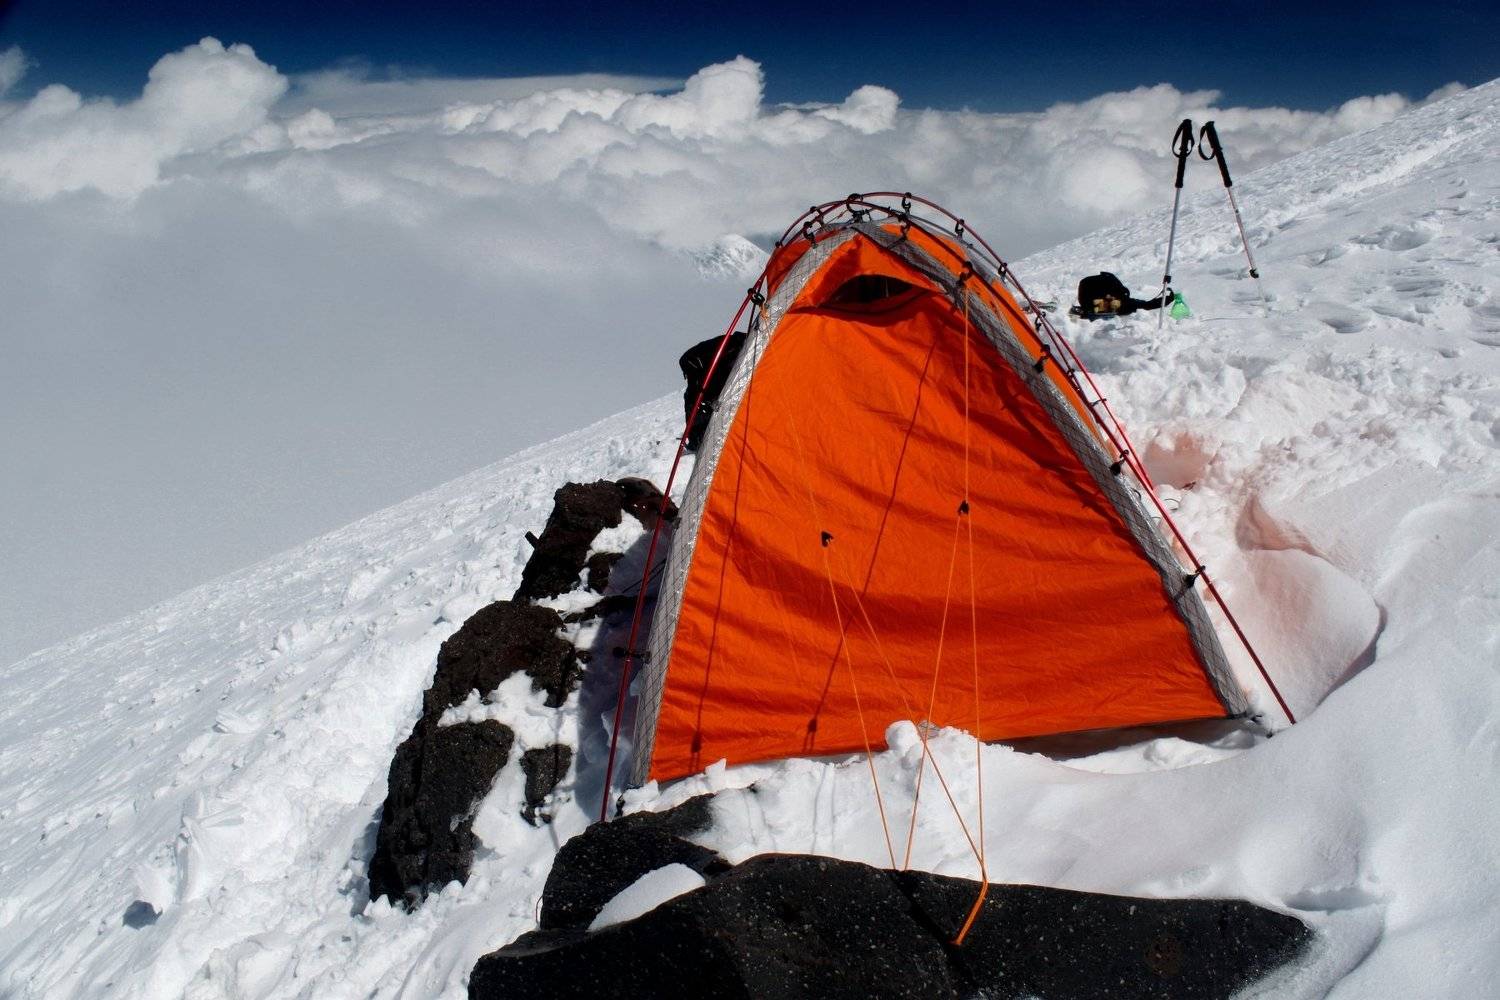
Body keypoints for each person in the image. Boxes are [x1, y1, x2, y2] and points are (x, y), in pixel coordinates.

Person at [678, 331, 746, 451]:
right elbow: (718, 374)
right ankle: (698, 439)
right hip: (695, 362)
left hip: (697, 362)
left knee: (695, 398)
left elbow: (719, 372)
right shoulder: (735, 347)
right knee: (695, 398)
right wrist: (710, 397)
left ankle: (699, 437)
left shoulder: (733, 346)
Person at [1072, 272, 1169, 320]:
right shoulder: (1091, 306)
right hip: (1089, 298)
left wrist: (1165, 299)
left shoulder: (1119, 301)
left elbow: (1142, 304)